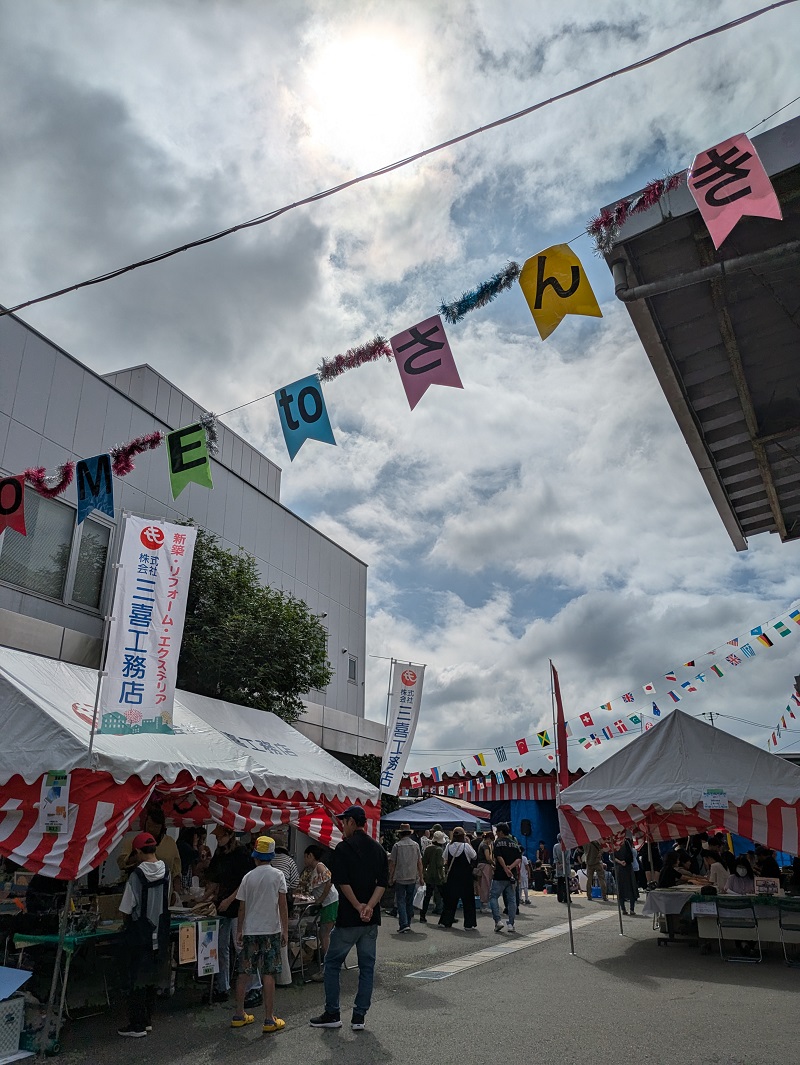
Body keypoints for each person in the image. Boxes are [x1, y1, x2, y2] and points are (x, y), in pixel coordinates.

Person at [310, 805, 388, 1032]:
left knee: (333, 963)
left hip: (348, 918)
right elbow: (382, 883)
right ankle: (359, 1016)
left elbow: (341, 882)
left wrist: (357, 906)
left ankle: (333, 1012)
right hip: (370, 920)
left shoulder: (342, 849)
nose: (342, 826)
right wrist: (370, 907)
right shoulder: (378, 849)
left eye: (344, 822)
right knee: (367, 967)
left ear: (353, 822)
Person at [230, 836, 288, 1035]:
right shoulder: (278, 875)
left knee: (244, 972)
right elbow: (282, 905)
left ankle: (239, 1014)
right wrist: (285, 929)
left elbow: (241, 908)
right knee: (268, 973)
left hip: (250, 931)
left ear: (255, 856)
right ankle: (269, 1018)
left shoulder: (248, 877)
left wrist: (239, 930)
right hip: (271, 930)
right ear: (271, 856)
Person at [117, 832, 171, 1038]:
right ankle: (148, 1019)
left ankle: (137, 1024)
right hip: (160, 932)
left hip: (140, 933)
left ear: (138, 851)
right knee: (151, 978)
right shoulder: (165, 870)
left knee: (135, 979)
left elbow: (126, 908)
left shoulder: (136, 875)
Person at [202, 825, 256, 1005]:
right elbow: (215, 880)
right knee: (220, 949)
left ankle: (253, 987)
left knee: (240, 946)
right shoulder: (219, 852)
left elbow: (245, 882)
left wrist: (230, 899)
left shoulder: (241, 853)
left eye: (220, 837)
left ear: (230, 835)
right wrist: (204, 898)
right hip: (222, 906)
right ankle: (222, 986)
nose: (218, 840)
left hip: (237, 907)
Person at [118, 807, 181, 887]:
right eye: (149, 825)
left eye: (156, 827)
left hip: (163, 888)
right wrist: (135, 857)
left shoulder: (170, 843)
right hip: (137, 887)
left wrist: (176, 892)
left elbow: (177, 870)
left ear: (162, 827)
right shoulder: (132, 841)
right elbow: (122, 862)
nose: (151, 829)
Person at [302, 845, 338, 956]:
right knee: (324, 932)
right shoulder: (313, 870)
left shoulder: (319, 866)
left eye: (305, 857)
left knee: (324, 933)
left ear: (311, 856)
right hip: (327, 903)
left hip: (329, 902)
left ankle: (328, 961)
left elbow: (329, 880)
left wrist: (321, 898)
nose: (304, 860)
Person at [388, 823, 423, 933]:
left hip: (400, 877)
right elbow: (419, 862)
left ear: (400, 834)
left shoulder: (397, 846)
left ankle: (403, 924)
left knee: (401, 901)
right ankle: (407, 922)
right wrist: (421, 877)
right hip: (412, 876)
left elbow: (392, 863)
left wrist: (391, 877)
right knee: (409, 901)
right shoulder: (416, 845)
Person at [440, 827, 478, 929]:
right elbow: (474, 856)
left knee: (450, 901)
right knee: (468, 901)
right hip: (465, 877)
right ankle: (469, 924)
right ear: (463, 836)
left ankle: (446, 922)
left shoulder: (448, 846)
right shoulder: (466, 846)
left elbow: (445, 859)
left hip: (452, 877)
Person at [489, 823, 521, 933]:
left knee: (493, 896)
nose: (496, 834)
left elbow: (499, 857)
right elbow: (518, 859)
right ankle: (511, 924)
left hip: (500, 875)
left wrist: (505, 868)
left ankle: (498, 921)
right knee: (512, 900)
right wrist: (510, 868)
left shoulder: (497, 843)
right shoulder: (514, 843)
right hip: (512, 876)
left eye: (497, 831)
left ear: (501, 832)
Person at [420, 830, 446, 922]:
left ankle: (422, 915)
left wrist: (422, 874)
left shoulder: (428, 848)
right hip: (438, 876)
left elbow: (424, 862)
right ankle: (446, 915)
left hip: (429, 875)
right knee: (444, 896)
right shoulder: (439, 850)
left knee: (427, 896)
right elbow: (440, 865)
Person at [613, 836, 640, 916]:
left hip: (619, 868)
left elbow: (612, 856)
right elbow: (631, 855)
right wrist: (624, 861)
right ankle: (631, 909)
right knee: (631, 888)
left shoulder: (614, 844)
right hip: (628, 867)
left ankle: (623, 909)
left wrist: (620, 862)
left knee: (620, 889)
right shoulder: (626, 843)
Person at [475, 830, 495, 913]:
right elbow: (488, 858)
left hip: (480, 866)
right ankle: (485, 905)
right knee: (486, 885)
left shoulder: (481, 845)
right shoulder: (485, 846)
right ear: (489, 839)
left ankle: (483, 905)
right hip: (485, 866)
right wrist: (493, 863)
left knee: (481, 885)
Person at [552, 834, 570, 904]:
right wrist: (564, 864)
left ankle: (560, 898)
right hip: (566, 867)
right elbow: (568, 858)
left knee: (559, 884)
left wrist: (558, 864)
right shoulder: (567, 846)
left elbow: (554, 856)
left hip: (558, 868)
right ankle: (567, 898)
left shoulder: (555, 846)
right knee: (567, 884)